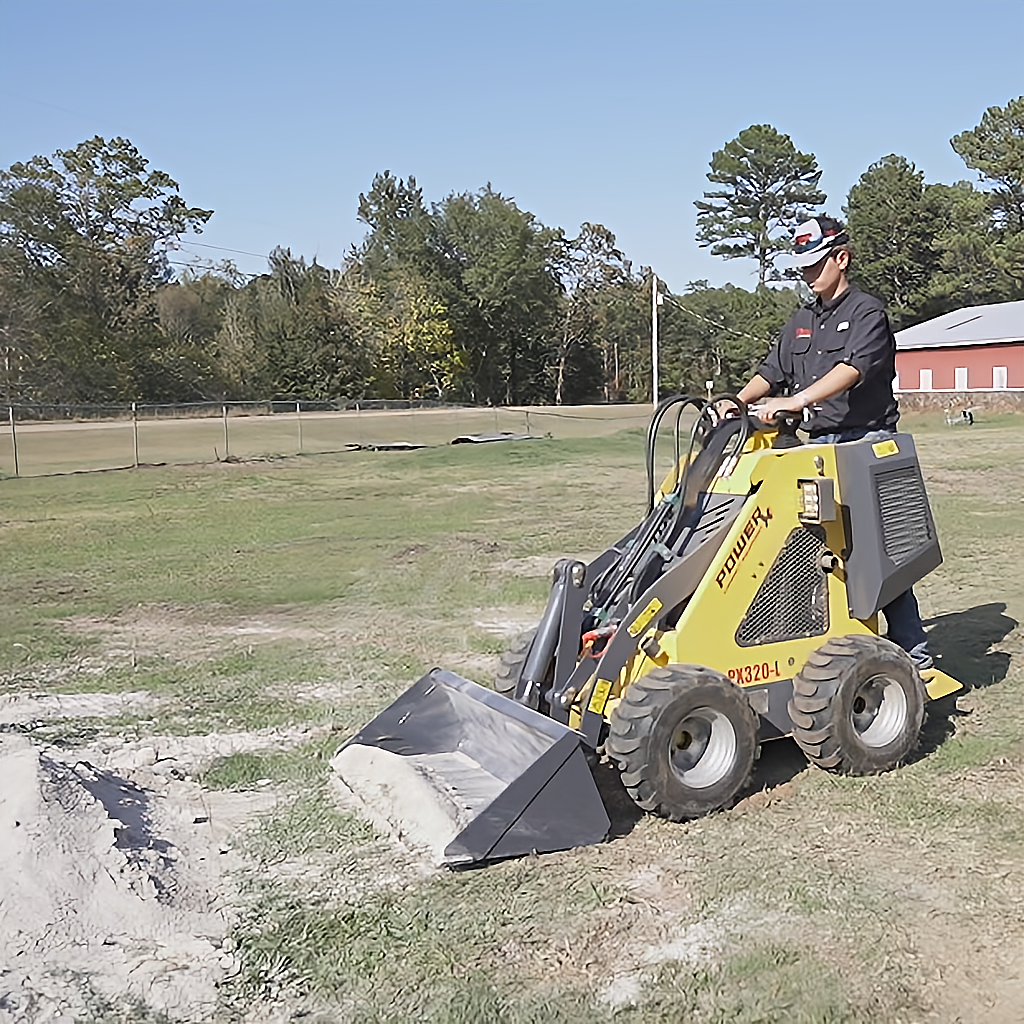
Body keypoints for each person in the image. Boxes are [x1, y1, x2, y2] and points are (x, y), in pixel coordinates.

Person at [734, 215, 932, 670]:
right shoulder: (802, 321)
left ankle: (914, 656)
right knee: (803, 551)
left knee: (877, 556)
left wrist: (797, 400)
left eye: (815, 265)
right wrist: (736, 401)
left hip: (866, 444)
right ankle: (814, 647)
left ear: (841, 259)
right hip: (817, 448)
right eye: (802, 268)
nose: (808, 275)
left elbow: (853, 370)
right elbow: (771, 371)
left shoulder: (867, 314)